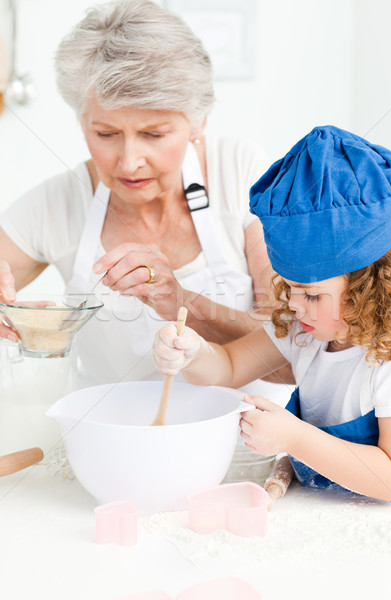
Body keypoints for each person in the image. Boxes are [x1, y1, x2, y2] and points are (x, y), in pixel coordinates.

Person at [0, 0, 292, 388]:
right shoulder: (60, 202)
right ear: (81, 121)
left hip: (245, 444)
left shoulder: (238, 171)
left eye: (154, 134)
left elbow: (295, 356)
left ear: (197, 122)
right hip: (111, 442)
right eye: (105, 134)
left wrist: (178, 300)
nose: (128, 162)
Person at [153, 125, 391, 502]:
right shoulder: (303, 331)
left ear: (373, 288)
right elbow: (229, 368)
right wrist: (192, 352)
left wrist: (294, 437)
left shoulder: (389, 361)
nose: (296, 304)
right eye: (290, 288)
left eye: (312, 294)